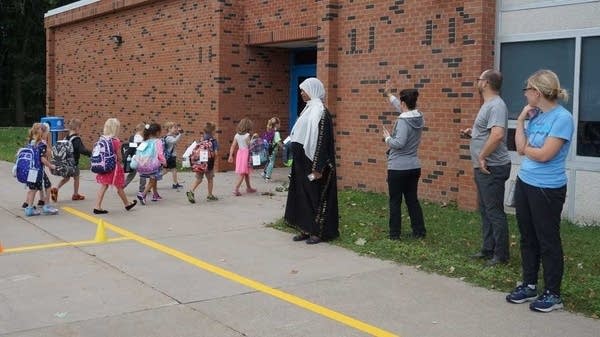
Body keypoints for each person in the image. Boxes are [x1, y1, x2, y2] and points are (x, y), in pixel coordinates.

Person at [506, 69, 573, 313]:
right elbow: (519, 146)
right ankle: (530, 284)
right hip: (525, 182)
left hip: (547, 189)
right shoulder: (535, 116)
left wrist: (528, 151)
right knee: (527, 237)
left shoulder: (562, 118)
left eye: (527, 90)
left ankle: (553, 294)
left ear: (537, 92)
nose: (525, 95)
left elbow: (545, 155)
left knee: (547, 241)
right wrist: (522, 119)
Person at [461, 69, 512, 267]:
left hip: (492, 167)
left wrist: (482, 155)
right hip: (483, 167)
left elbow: (497, 135)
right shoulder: (488, 105)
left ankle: (501, 255)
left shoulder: (496, 105)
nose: (477, 81)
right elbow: (487, 132)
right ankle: (488, 248)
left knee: (494, 211)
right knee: (485, 209)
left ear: (486, 83)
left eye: (479, 78)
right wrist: (472, 134)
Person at [284, 77, 339, 244]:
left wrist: (318, 167)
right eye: (301, 90)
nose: (301, 93)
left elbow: (322, 141)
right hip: (301, 164)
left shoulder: (321, 112)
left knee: (315, 195)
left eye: (304, 90)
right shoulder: (307, 110)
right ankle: (305, 228)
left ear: (312, 91)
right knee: (301, 194)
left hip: (314, 165)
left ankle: (318, 231)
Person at [382, 84, 426, 240]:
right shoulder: (418, 117)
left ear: (403, 103)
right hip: (414, 166)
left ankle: (394, 234)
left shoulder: (402, 121)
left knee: (395, 201)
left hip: (398, 168)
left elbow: (399, 143)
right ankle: (419, 231)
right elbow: (403, 110)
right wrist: (389, 95)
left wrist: (387, 137)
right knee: (412, 200)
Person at [93, 118, 137, 214]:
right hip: (114, 168)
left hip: (104, 165)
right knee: (118, 185)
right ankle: (126, 204)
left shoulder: (103, 138)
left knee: (105, 185)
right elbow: (119, 156)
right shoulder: (115, 141)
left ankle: (98, 206)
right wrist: (122, 161)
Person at [51, 118, 91, 202]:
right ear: (77, 128)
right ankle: (75, 194)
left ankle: (56, 188)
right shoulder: (76, 139)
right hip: (73, 163)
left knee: (66, 178)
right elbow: (82, 150)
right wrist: (90, 153)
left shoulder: (66, 138)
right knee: (76, 177)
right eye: (80, 127)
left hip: (65, 163)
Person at [23, 123, 59, 216]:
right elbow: (42, 159)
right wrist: (51, 166)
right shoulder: (42, 144)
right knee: (48, 186)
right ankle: (46, 206)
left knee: (33, 189)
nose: (47, 134)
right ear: (42, 133)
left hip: (31, 170)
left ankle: (29, 209)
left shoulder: (31, 142)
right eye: (47, 133)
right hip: (39, 171)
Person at [186, 122, 219, 203]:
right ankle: (210, 195)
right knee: (210, 179)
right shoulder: (213, 141)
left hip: (199, 163)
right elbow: (216, 153)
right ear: (213, 131)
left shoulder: (201, 139)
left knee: (199, 179)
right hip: (209, 163)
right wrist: (214, 159)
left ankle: (191, 191)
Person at [136, 123, 167, 204]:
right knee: (152, 180)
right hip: (154, 165)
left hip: (144, 164)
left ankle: (155, 195)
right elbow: (160, 154)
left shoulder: (145, 141)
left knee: (154, 178)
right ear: (157, 132)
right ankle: (143, 194)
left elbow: (139, 152)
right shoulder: (158, 141)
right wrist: (164, 162)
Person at [227, 118, 257, 196]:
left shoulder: (236, 135)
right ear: (248, 127)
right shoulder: (247, 135)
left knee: (245, 172)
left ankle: (249, 188)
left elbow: (233, 146)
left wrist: (230, 155)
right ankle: (236, 189)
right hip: (246, 154)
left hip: (240, 154)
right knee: (243, 173)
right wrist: (253, 138)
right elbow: (249, 145)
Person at [124, 122, 147, 193]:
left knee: (132, 174)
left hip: (132, 158)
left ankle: (123, 185)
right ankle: (142, 190)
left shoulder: (132, 137)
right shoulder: (141, 139)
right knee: (143, 174)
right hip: (140, 158)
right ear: (142, 130)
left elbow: (131, 147)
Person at [162, 121, 184, 189]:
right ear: (169, 129)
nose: (175, 129)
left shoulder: (170, 136)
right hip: (170, 157)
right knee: (172, 170)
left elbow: (176, 139)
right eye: (174, 128)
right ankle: (175, 184)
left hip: (170, 156)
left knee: (167, 170)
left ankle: (155, 178)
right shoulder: (168, 137)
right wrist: (180, 134)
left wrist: (180, 134)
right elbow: (175, 141)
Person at [261, 117, 282, 181]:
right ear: (276, 125)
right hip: (273, 150)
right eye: (279, 124)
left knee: (268, 161)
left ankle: (264, 173)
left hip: (268, 149)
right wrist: (283, 146)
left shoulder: (269, 131)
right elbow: (278, 142)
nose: (280, 125)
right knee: (271, 162)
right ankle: (268, 176)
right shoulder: (276, 133)